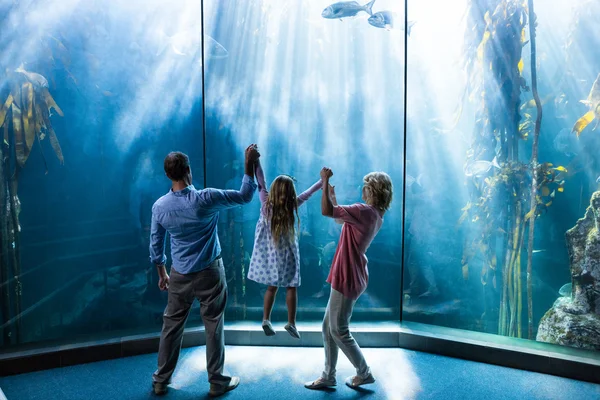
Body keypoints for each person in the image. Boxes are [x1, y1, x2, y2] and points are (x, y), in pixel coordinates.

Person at [149, 145, 260, 397]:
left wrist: (162, 273)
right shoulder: (205, 199)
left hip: (178, 274)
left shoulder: (159, 207)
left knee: (171, 326)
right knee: (213, 325)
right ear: (188, 170)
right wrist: (248, 163)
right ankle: (216, 381)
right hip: (210, 271)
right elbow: (244, 196)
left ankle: (160, 380)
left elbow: (156, 247)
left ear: (168, 175)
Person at [305, 168, 393, 390]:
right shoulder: (373, 214)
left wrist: (324, 182)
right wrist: (333, 198)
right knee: (328, 327)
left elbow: (327, 212)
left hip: (348, 274)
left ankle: (364, 372)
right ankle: (328, 376)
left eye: (365, 185)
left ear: (372, 190)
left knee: (338, 329)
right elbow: (338, 219)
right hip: (350, 271)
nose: (362, 189)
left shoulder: (364, 211)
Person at [247, 159, 323, 338]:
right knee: (291, 288)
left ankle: (266, 319)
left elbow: (261, 182)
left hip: (270, 256)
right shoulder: (292, 206)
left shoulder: (266, 204)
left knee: (271, 288)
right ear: (290, 193)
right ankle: (291, 323)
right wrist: (322, 181)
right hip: (288, 255)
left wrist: (256, 161)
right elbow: (308, 193)